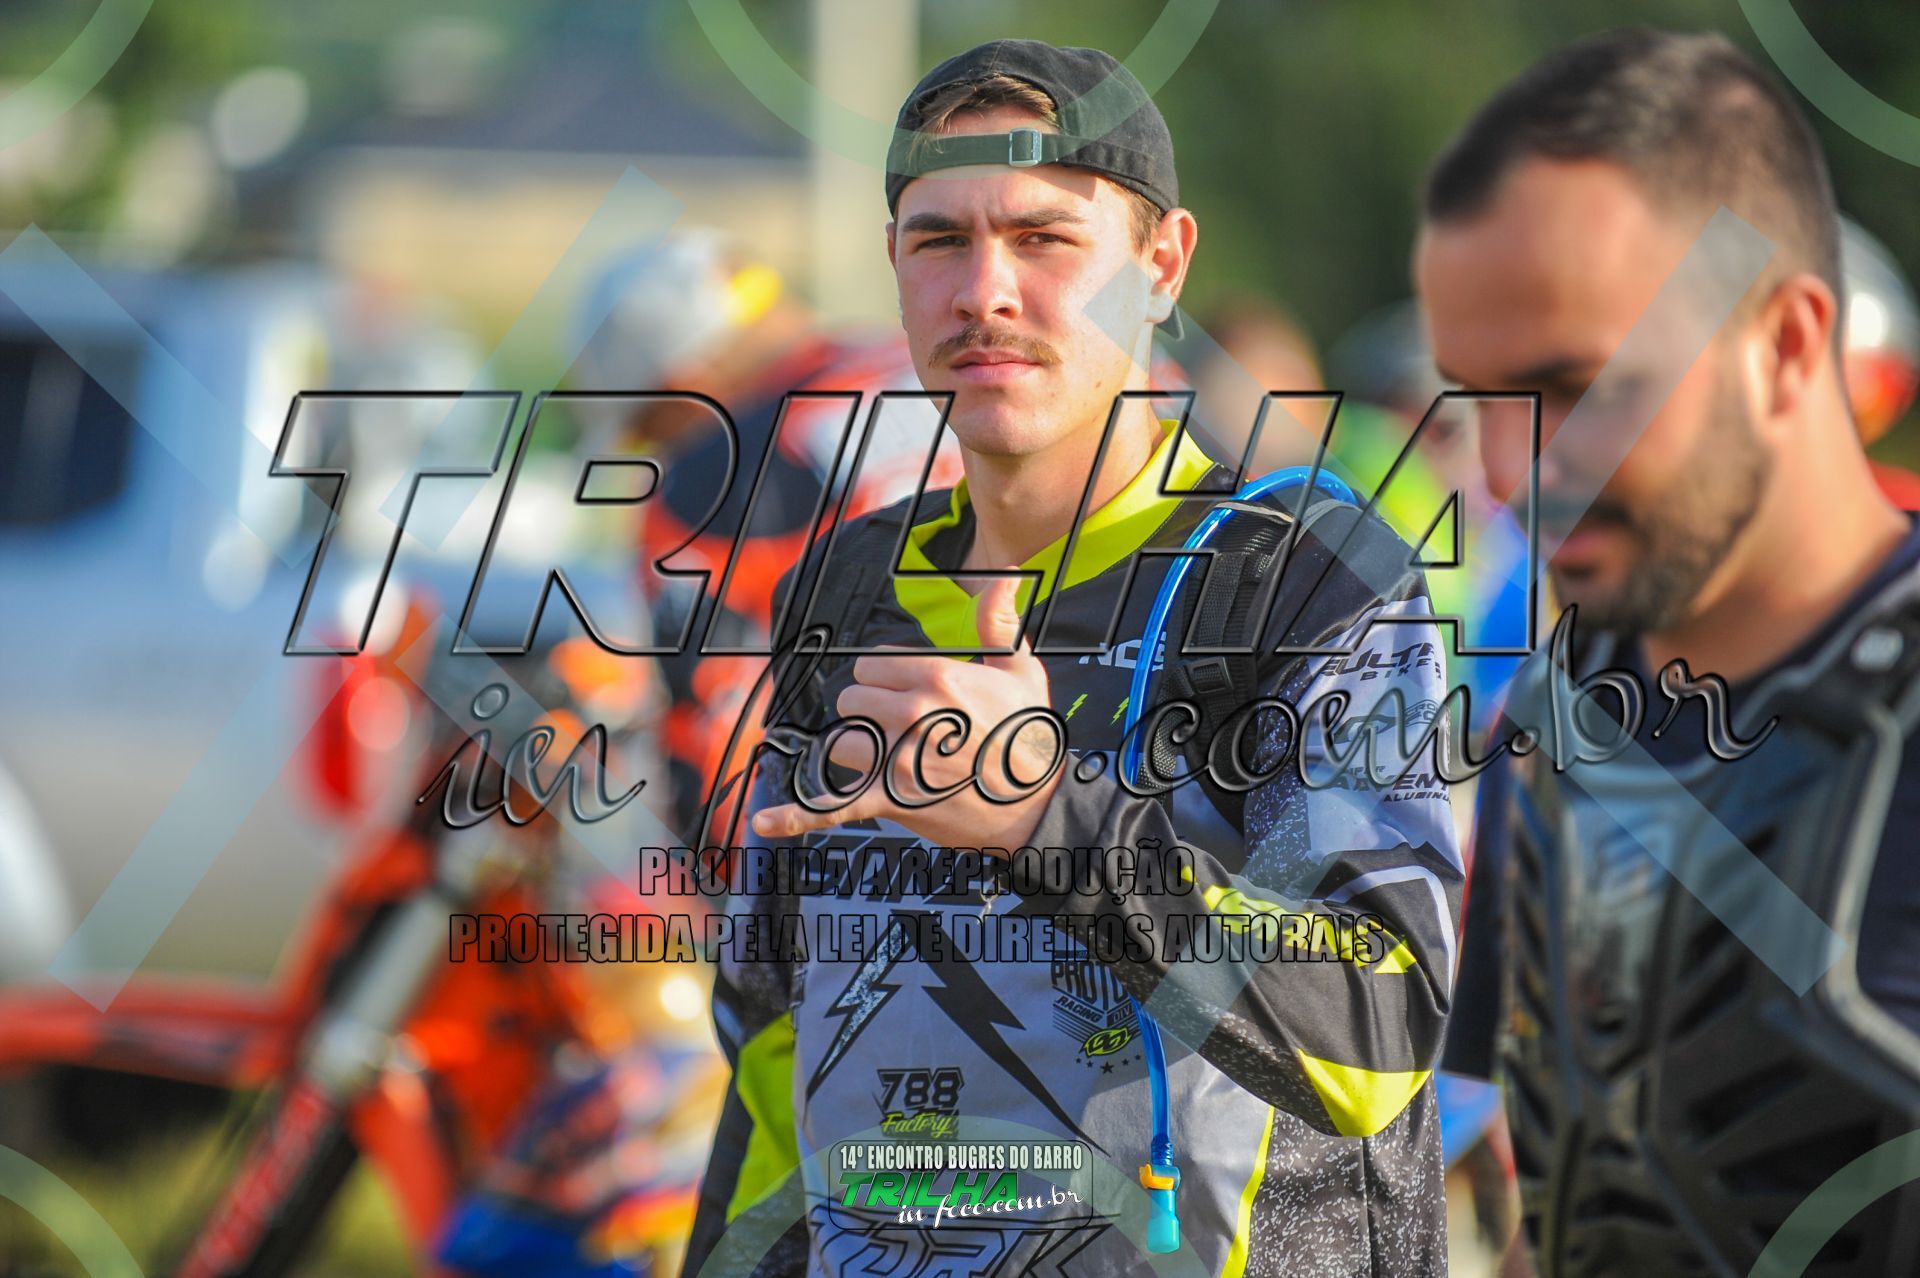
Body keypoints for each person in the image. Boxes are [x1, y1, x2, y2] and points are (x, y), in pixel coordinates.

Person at [685, 39, 1463, 1278]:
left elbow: (1377, 1026)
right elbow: (773, 1053)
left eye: (1044, 238)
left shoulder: (1306, 576)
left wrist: (1047, 820)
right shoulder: (842, 588)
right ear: (895, 265)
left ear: (1162, 266)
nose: (983, 291)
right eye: (939, 240)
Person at [1415, 28, 1920, 1276]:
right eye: (1477, 399)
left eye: (1580, 388)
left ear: (1787, 345)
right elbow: (1578, 1193)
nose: (1512, 470)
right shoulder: (1561, 719)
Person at [571, 233, 962, 843]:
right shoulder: (960, 367)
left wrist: (715, 872)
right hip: (1074, 780)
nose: (663, 449)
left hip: (879, 822)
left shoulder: (712, 473)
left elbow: (710, 729)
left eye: (651, 428)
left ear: (685, 387)